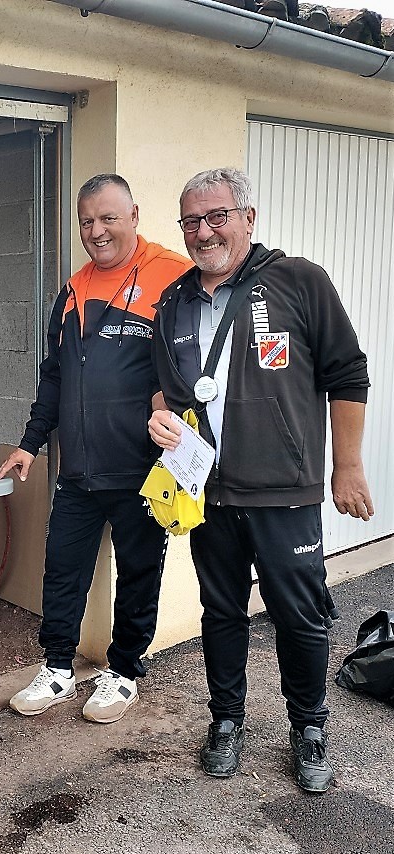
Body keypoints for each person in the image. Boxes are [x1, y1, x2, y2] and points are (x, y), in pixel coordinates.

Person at [148, 167, 372, 792]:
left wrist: (346, 467)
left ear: (248, 217)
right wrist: (159, 420)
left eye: (217, 216)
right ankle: (226, 721)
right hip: (208, 492)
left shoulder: (300, 281)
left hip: (285, 490)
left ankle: (310, 727)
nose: (203, 231)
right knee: (220, 613)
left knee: (300, 616)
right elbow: (164, 391)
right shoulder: (174, 300)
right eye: (191, 221)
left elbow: (347, 375)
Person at [0, 174, 193, 724]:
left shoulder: (173, 278)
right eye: (87, 221)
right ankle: (57, 667)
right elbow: (54, 378)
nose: (97, 230)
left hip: (143, 470)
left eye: (108, 218)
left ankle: (125, 671)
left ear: (134, 214)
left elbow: (194, 369)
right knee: (62, 570)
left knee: (138, 573)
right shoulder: (74, 289)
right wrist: (31, 443)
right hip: (78, 471)